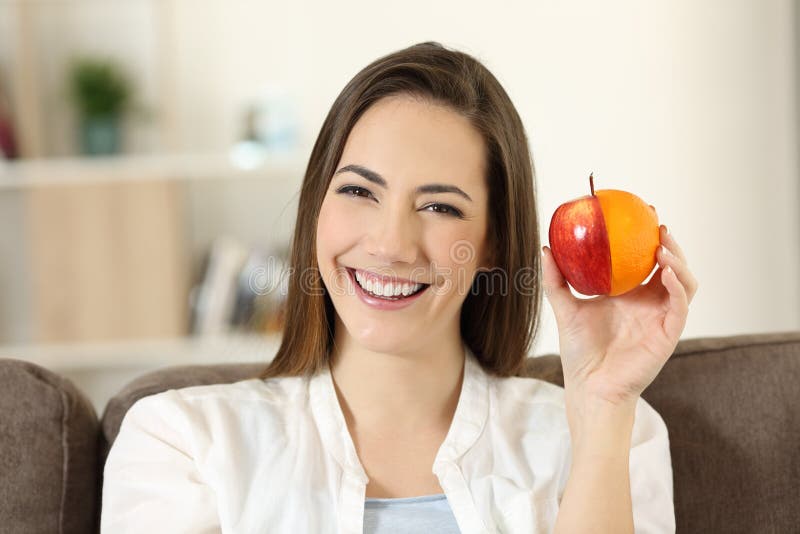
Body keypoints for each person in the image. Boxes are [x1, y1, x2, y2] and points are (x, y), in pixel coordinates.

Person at [101, 41, 698, 533]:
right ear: (316, 208)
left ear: (494, 243)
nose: (390, 244)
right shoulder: (180, 442)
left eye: (439, 205)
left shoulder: (618, 437)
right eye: (359, 191)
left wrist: (602, 414)